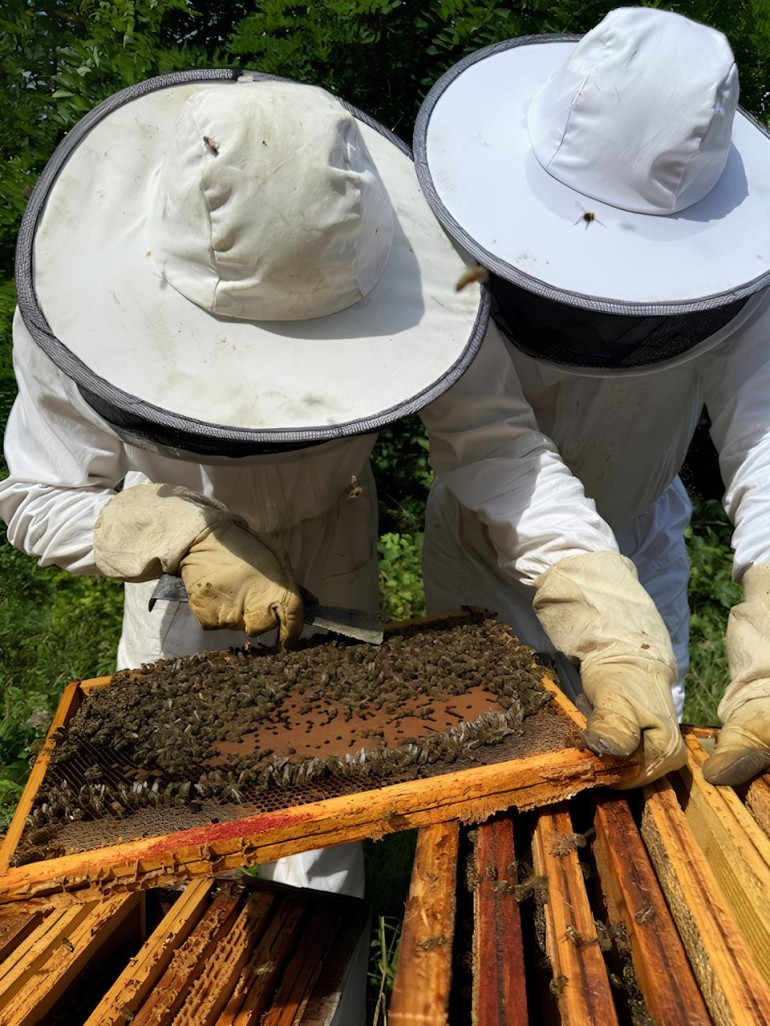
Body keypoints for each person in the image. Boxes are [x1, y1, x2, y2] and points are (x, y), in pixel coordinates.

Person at [1, 66, 685, 1018]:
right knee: (189, 857)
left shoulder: (428, 268)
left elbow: (502, 453)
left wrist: (608, 616)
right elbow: (34, 497)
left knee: (324, 853)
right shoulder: (73, 304)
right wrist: (172, 529)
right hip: (182, 593)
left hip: (336, 556)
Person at [413, 5, 770, 787]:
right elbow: (495, 445)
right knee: (485, 780)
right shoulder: (451, 241)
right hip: (483, 547)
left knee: (644, 774)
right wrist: (605, 620)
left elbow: (764, 436)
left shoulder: (745, 268)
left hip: (642, 539)